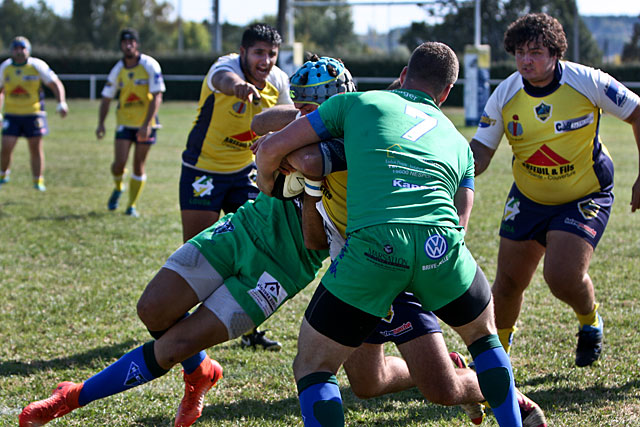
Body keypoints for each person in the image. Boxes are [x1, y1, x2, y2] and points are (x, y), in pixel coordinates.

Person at [18, 56, 542, 427]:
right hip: (248, 228)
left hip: (302, 266)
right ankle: (199, 375)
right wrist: (298, 127)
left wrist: (309, 184)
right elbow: (267, 126)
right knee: (154, 310)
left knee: (407, 385)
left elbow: (315, 227)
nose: (314, 109)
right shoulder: (340, 116)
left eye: (321, 103)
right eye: (310, 102)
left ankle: (496, 393)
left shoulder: (360, 139)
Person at [252, 55, 546, 427]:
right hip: (438, 251)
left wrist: (267, 184)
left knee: (314, 366)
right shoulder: (458, 141)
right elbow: (461, 222)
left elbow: (270, 148)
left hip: (372, 255)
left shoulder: (356, 104)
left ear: (402, 75)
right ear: (447, 92)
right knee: (481, 341)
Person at [469, 13, 640, 367]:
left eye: (535, 52)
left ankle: (590, 320)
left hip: (585, 194)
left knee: (561, 277)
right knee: (507, 284)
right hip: (529, 197)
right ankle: (497, 359)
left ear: (556, 53)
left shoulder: (587, 81)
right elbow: (482, 151)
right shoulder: (506, 92)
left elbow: (638, 112)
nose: (525, 60)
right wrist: (453, 176)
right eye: (519, 52)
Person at [179, 23, 292, 350]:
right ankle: (183, 325)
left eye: (272, 54)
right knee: (197, 252)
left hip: (246, 172)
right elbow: (221, 81)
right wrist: (240, 87)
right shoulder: (225, 67)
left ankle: (249, 330)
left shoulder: (279, 80)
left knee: (257, 248)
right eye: (258, 52)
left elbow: (289, 117)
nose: (266, 60)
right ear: (243, 52)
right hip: (203, 170)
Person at [96, 28, 165, 218]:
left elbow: (157, 95)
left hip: (146, 124)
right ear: (121, 45)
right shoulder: (117, 70)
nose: (128, 45)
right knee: (118, 164)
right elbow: (106, 98)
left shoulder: (149, 65)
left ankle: (131, 205)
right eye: (125, 42)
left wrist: (146, 124)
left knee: (138, 165)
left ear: (137, 44)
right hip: (124, 123)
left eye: (132, 41)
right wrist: (101, 123)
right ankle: (118, 187)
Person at [0, 36, 68, 191]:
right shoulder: (5, 67)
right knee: (6, 146)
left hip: (34, 113)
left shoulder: (37, 66)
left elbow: (55, 83)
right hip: (12, 114)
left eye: (22, 48)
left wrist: (61, 102)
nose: (19, 51)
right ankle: (3, 174)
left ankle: (38, 180)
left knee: (35, 148)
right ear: (11, 51)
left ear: (28, 50)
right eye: (16, 48)